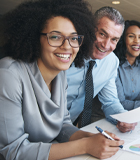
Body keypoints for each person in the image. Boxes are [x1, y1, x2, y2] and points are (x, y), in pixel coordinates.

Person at [0, 0, 123, 159]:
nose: (67, 46)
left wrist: (89, 137)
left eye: (73, 38)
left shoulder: (59, 75)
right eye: (56, 36)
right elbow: (13, 150)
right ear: (35, 37)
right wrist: (84, 145)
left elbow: (62, 125)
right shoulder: (8, 75)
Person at [66, 6, 137, 133]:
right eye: (102, 34)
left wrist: (123, 117)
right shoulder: (67, 52)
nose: (106, 45)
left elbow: (110, 102)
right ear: (90, 29)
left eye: (114, 39)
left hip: (68, 130)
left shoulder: (111, 61)